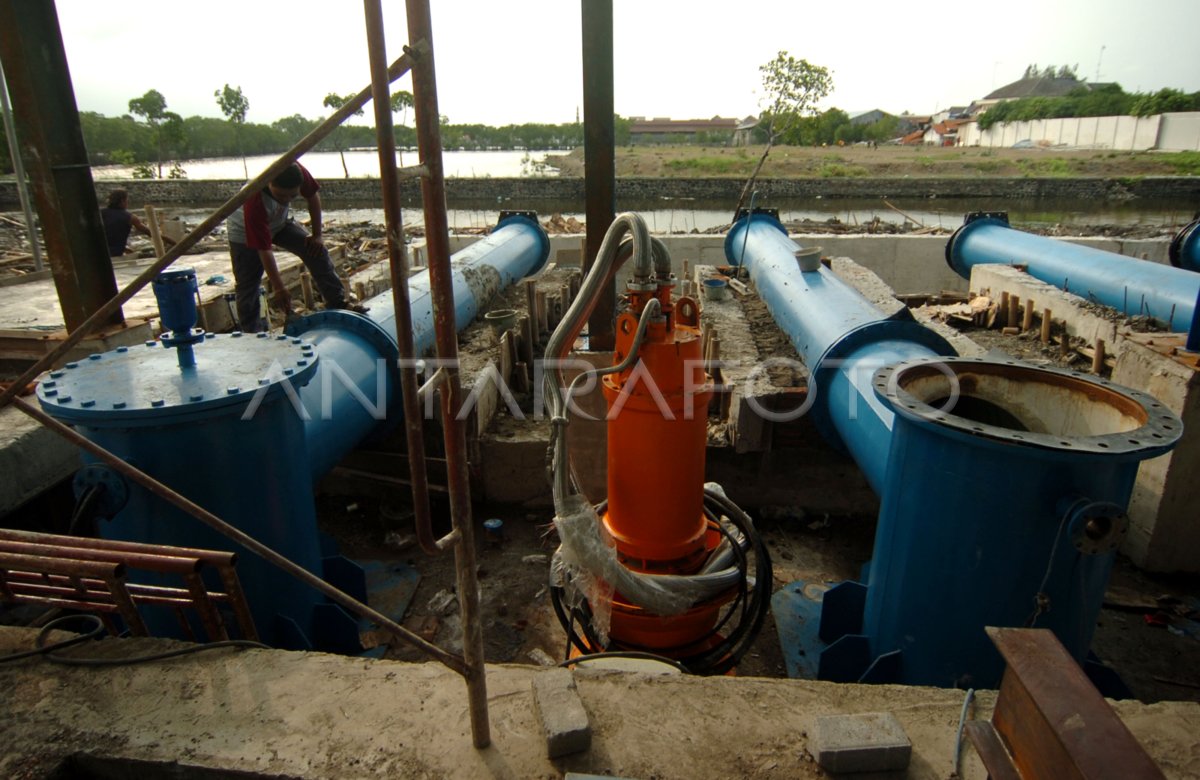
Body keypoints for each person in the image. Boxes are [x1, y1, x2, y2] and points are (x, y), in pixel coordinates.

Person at [225, 161, 364, 332]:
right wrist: (279, 287)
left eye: (292, 196)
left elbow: (312, 197)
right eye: (281, 196)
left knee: (315, 250)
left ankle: (338, 302)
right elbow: (265, 250)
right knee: (248, 284)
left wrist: (317, 235)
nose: (286, 200)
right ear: (270, 183)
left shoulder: (296, 171)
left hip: (279, 222)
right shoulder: (254, 200)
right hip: (243, 233)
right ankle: (252, 333)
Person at [101, 189, 171, 257]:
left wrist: (125, 249)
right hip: (115, 254)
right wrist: (173, 243)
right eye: (127, 200)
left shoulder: (100, 214)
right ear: (122, 201)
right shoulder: (130, 217)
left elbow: (109, 236)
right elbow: (152, 233)